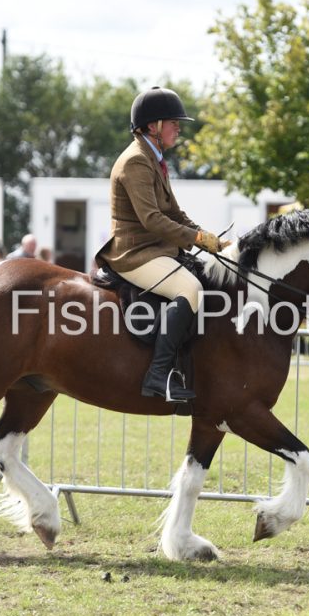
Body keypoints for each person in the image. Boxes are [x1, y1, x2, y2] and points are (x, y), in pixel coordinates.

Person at [95, 86, 229, 403]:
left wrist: (210, 240)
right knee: (190, 289)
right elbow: (153, 220)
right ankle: (158, 374)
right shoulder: (135, 161)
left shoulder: (154, 159)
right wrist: (197, 239)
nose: (178, 129)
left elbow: (175, 214)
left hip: (156, 251)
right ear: (153, 126)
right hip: (135, 254)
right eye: (173, 123)